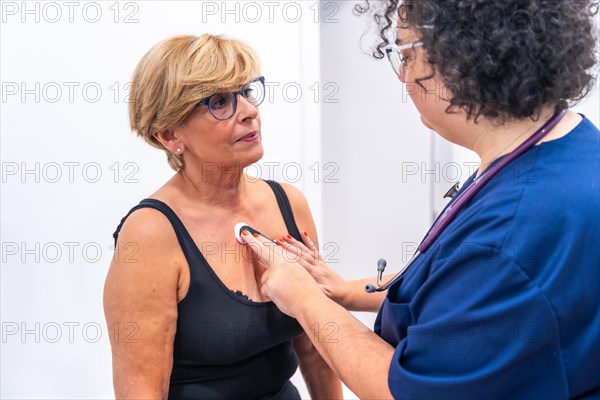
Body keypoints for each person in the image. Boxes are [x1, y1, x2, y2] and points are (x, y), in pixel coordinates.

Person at [240, 1, 600, 398]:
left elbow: (404, 392)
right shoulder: (572, 147)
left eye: (405, 54)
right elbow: (459, 290)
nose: (403, 78)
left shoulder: (510, 233)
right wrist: (345, 291)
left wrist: (305, 300)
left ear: (462, 56)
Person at [103, 34, 342, 399]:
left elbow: (315, 349)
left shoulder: (288, 203)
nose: (249, 111)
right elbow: (141, 392)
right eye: (219, 102)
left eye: (246, 91)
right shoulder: (151, 234)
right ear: (169, 134)